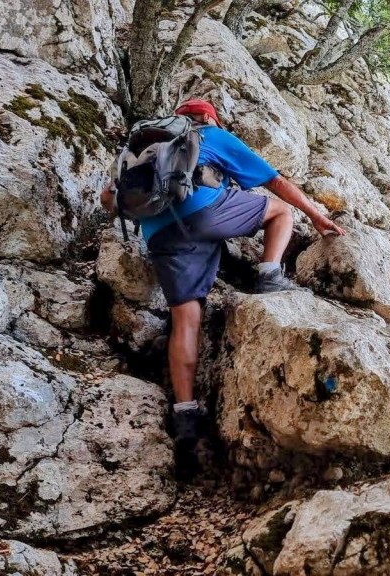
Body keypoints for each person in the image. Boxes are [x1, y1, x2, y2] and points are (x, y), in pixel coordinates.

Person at [100, 99, 345, 476]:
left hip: (160, 235)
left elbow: (108, 200)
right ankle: (269, 275)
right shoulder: (209, 135)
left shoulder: (141, 148)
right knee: (281, 211)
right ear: (207, 117)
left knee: (185, 319)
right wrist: (316, 214)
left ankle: (184, 414)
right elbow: (275, 181)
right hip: (206, 212)